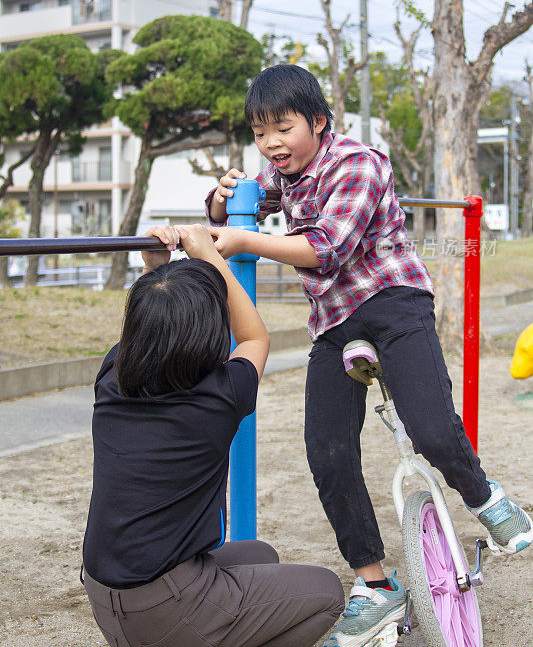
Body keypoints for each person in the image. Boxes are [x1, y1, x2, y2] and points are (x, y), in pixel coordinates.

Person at [206, 64, 533, 647]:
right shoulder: (285, 174)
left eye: (283, 128)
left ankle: (485, 496)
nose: (271, 144)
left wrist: (244, 239)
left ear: (318, 122)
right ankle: (375, 584)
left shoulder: (358, 163)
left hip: (393, 301)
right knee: (326, 451)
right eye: (260, 132)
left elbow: (326, 250)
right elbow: (242, 211)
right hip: (334, 321)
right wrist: (223, 200)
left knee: (431, 428)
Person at [81, 222, 344, 647]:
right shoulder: (217, 399)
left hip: (106, 593)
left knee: (260, 556)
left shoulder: (112, 379)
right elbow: (254, 336)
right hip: (163, 608)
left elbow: (150, 329)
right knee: (328, 593)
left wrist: (156, 271)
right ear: (206, 335)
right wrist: (211, 256)